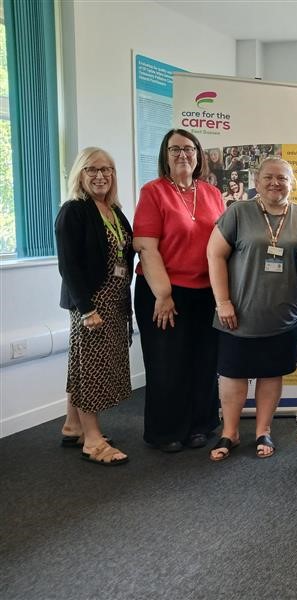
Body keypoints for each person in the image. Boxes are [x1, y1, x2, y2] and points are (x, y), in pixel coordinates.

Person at [133, 129, 225, 453]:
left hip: (206, 293)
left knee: (204, 362)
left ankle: (200, 425)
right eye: (175, 149)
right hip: (164, 292)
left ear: (198, 154)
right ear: (165, 155)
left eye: (188, 149)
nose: (182, 155)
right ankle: (167, 431)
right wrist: (163, 294)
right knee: (167, 364)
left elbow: (222, 244)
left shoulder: (212, 193)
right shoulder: (153, 192)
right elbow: (146, 247)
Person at [207, 157, 297, 461]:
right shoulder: (239, 211)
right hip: (238, 314)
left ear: (292, 183)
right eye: (268, 177)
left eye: (282, 178)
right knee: (233, 374)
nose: (275, 183)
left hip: (283, 315)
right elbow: (214, 254)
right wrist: (223, 302)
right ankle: (230, 433)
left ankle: (264, 430)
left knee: (271, 373)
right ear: (257, 181)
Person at [55, 147, 134, 466]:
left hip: (115, 300)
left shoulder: (113, 210)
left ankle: (73, 426)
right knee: (92, 369)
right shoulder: (73, 211)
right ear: (80, 174)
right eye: (92, 169)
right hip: (92, 303)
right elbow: (68, 265)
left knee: (82, 363)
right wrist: (87, 309)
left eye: (107, 169)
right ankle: (92, 440)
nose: (100, 175)